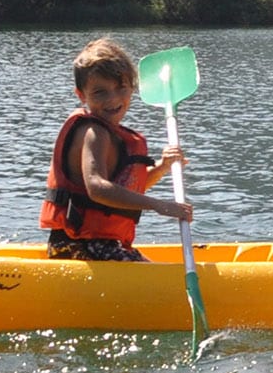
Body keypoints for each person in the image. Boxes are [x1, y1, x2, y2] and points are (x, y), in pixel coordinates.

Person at [41, 37, 191, 262]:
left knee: (155, 272)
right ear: (81, 95)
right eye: (100, 92)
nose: (113, 99)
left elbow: (124, 189)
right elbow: (97, 189)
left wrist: (161, 169)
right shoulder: (94, 132)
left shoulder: (109, 132)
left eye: (121, 88)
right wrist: (159, 205)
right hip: (79, 245)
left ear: (133, 87)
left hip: (102, 244)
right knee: (160, 284)